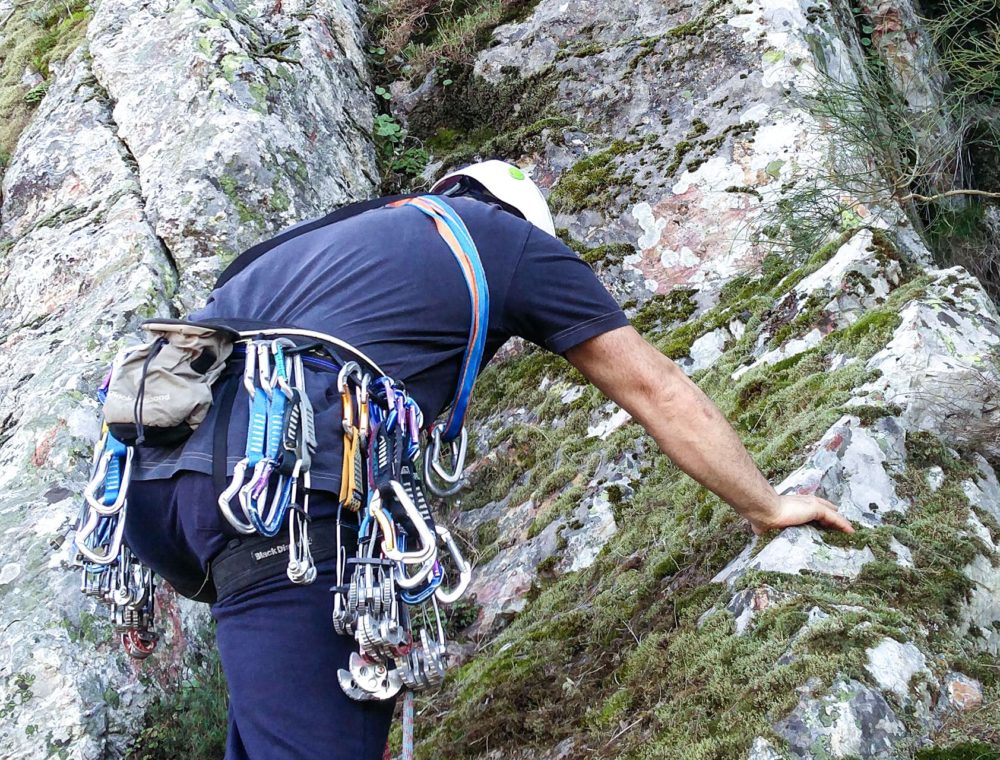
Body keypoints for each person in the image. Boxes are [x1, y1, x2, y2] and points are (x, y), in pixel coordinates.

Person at [121, 159, 853, 760]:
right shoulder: (506, 242)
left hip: (156, 492)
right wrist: (766, 505)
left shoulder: (323, 239)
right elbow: (655, 388)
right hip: (288, 496)